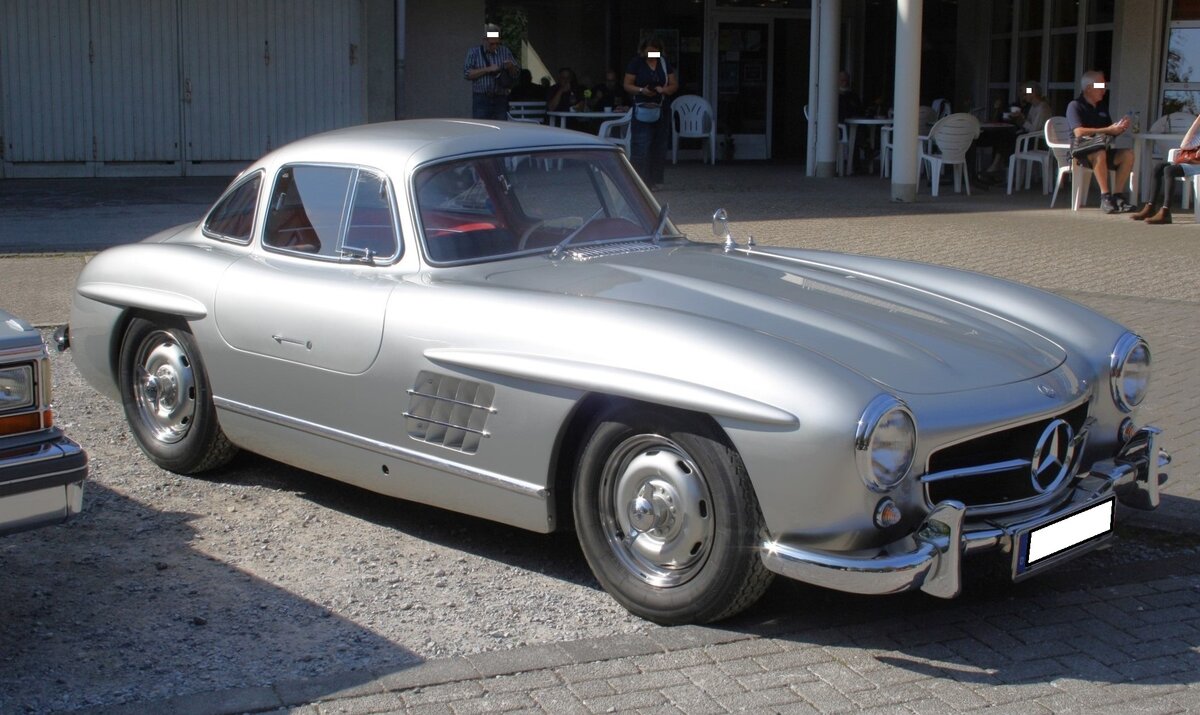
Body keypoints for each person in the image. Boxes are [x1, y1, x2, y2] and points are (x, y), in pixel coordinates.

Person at [1066, 70, 1135, 213]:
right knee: (1099, 153)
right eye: (1101, 85)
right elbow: (1078, 132)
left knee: (1128, 154)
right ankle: (1105, 197)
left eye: (1104, 85)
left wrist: (1118, 129)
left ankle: (1117, 196)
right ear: (1088, 88)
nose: (1104, 89)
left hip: (1102, 148)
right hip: (1082, 152)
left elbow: (1108, 131)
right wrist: (1108, 129)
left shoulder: (1102, 106)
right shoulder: (1075, 105)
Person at [624, 37, 678, 189]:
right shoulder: (637, 63)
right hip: (643, 107)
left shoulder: (663, 62)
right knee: (641, 145)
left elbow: (674, 84)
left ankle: (653, 181)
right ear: (643, 50)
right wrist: (642, 90)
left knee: (659, 146)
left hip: (661, 108)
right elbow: (627, 84)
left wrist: (664, 90)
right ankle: (638, 182)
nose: (652, 54)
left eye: (656, 51)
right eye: (650, 51)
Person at [1129, 113, 1200, 225]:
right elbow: (1184, 146)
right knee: (1159, 167)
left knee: (1169, 170)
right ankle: (1150, 206)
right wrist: (1196, 124)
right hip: (1191, 163)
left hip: (1198, 167)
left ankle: (1165, 212)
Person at [462, 23, 520, 121]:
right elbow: (467, 74)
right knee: (481, 128)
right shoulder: (474, 52)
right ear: (484, 40)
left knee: (501, 128)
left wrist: (511, 67)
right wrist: (487, 69)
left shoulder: (505, 51)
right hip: (481, 98)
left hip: (500, 98)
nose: (495, 47)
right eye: (492, 44)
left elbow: (516, 74)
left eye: (497, 43)